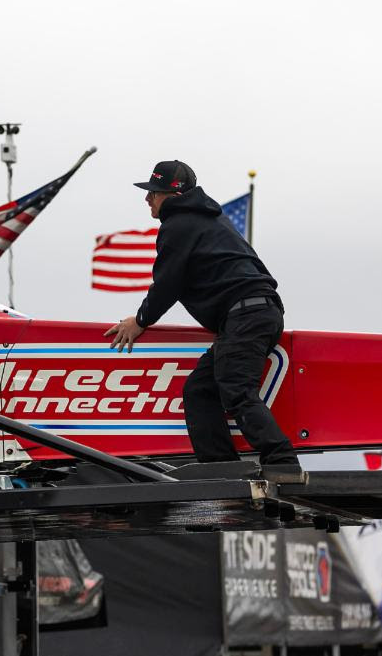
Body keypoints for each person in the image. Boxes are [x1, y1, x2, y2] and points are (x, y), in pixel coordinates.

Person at [104, 160, 300, 471]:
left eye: (153, 192)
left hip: (246, 315)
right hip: (256, 313)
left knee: (236, 389)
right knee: (199, 390)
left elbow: (168, 283)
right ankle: (220, 468)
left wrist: (140, 320)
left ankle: (282, 461)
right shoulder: (212, 219)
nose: (147, 199)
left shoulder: (178, 225)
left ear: (171, 194)